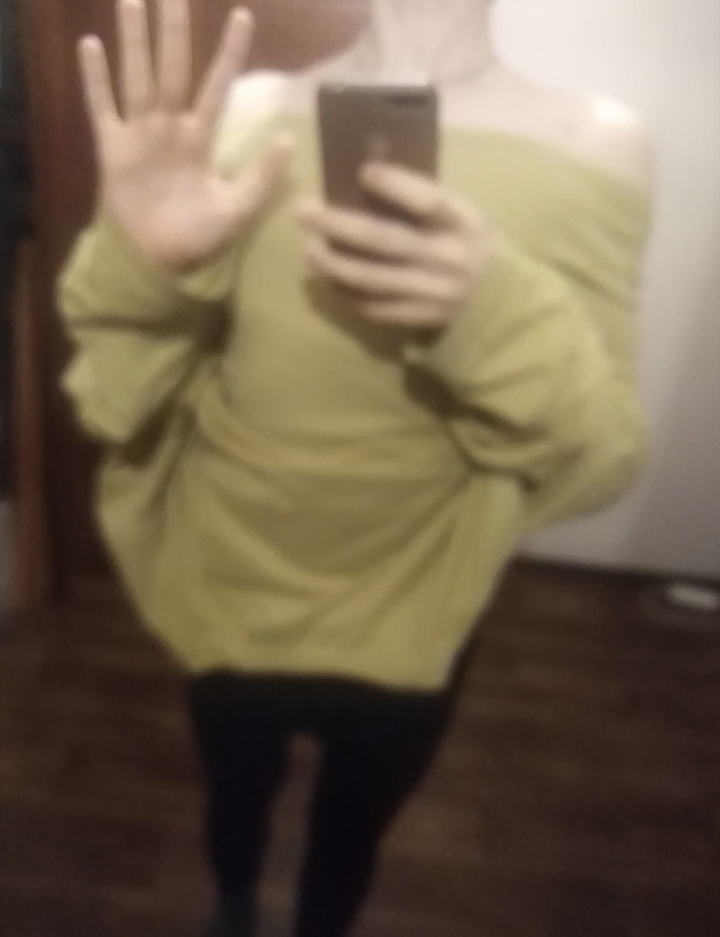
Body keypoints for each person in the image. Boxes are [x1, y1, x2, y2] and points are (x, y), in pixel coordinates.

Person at [58, 1, 654, 934]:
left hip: (415, 606)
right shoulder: (243, 114)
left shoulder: (600, 145)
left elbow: (597, 461)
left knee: (350, 833)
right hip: (227, 581)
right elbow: (116, 400)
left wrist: (493, 313)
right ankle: (234, 905)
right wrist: (148, 269)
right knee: (233, 797)